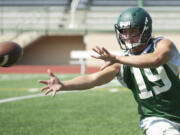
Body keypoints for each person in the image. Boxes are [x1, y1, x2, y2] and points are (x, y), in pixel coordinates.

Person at [38, 7, 180, 135]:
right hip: (156, 119)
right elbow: (93, 79)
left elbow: (156, 59)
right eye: (124, 32)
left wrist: (117, 58)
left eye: (133, 31)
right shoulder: (120, 62)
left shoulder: (162, 44)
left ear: (146, 29)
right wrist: (65, 85)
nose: (128, 36)